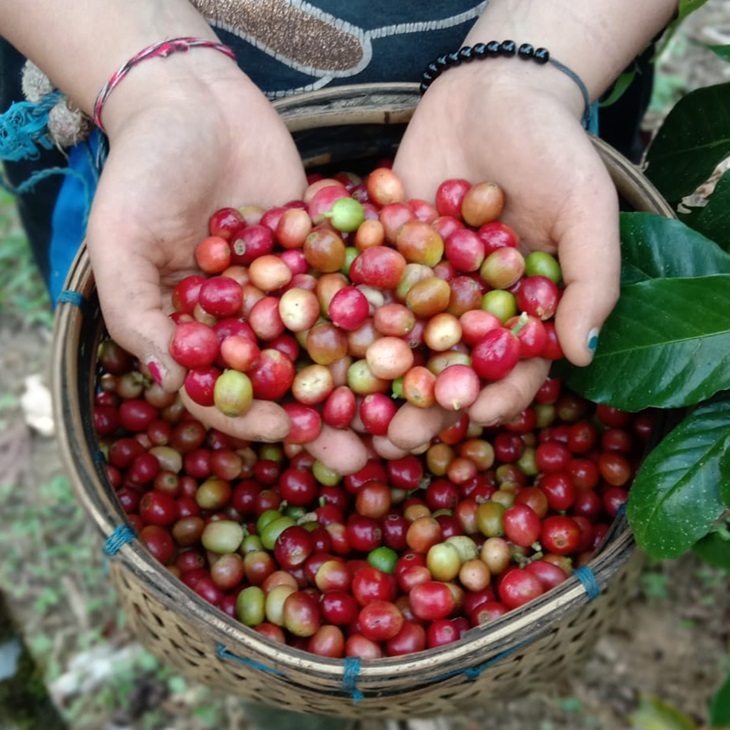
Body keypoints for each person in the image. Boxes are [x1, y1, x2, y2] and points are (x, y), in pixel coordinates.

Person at [0, 2, 677, 728]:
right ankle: (293, 703)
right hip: (104, 58)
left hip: (550, 52)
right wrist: (150, 80)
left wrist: (539, 63)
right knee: (281, 677)